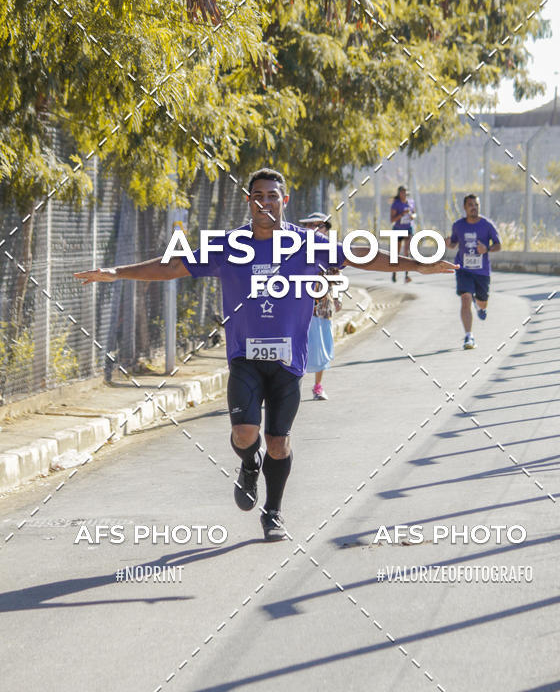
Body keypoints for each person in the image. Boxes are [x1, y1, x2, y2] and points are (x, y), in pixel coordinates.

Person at [75, 169, 456, 541]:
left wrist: (419, 264)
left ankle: (273, 511)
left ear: (284, 201)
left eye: (273, 196)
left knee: (279, 442)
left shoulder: (308, 244)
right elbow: (174, 265)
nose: (265, 202)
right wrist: (118, 271)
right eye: (259, 196)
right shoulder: (229, 246)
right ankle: (247, 464)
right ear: (249, 202)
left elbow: (361, 255)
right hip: (244, 357)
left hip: (289, 362)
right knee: (244, 435)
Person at [445, 194, 501, 350]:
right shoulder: (458, 225)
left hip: (482, 272)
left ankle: (480, 305)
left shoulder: (487, 225)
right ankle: (469, 336)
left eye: (476, 204)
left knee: (482, 302)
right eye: (470, 204)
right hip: (463, 269)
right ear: (465, 207)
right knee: (465, 298)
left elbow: (498, 245)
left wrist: (487, 249)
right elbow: (454, 243)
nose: (473, 207)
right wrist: (448, 243)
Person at [297, 211, 341, 401]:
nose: (315, 229)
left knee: (321, 348)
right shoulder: (296, 248)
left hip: (322, 307)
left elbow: (336, 276)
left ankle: (317, 386)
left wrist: (338, 298)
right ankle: (293, 388)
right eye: (311, 225)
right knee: (299, 348)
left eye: (320, 225)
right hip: (299, 308)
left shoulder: (330, 250)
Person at [390, 186, 416, 283]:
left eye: (405, 192)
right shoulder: (395, 204)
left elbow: (414, 214)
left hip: (408, 228)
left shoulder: (411, 202)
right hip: (398, 229)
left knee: (407, 252)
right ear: (399, 193)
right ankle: (394, 272)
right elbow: (392, 220)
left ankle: (406, 275)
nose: (403, 194)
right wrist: (402, 214)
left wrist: (412, 216)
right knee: (396, 253)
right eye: (402, 193)